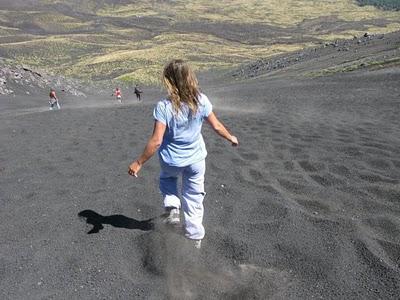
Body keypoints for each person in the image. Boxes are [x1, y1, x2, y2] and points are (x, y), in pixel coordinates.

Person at [128, 59, 238, 249]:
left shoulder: (164, 106)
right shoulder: (201, 100)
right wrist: (231, 137)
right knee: (194, 196)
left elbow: (156, 141)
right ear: (190, 78)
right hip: (196, 160)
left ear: (169, 81)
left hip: (172, 160)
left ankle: (172, 207)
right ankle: (195, 238)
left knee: (167, 181)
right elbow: (217, 126)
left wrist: (139, 162)